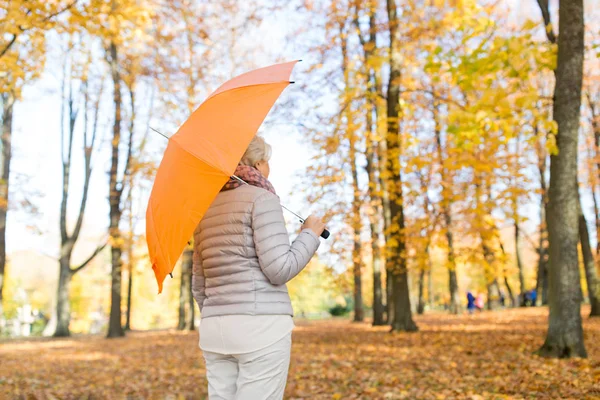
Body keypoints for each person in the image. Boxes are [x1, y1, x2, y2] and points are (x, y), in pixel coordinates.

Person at [192, 136, 326, 400]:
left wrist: (222, 313)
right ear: (259, 162)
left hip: (214, 331)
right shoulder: (262, 199)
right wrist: (309, 234)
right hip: (260, 329)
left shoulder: (203, 210)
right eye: (269, 162)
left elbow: (199, 285)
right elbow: (279, 269)